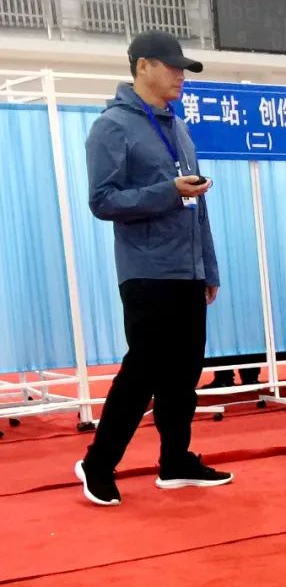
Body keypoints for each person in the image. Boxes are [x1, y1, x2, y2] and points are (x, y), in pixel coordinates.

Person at [76, 30, 232, 507]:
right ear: (143, 66)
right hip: (146, 270)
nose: (181, 76)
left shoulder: (178, 127)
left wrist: (208, 267)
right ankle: (98, 463)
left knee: (184, 371)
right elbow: (103, 201)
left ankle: (175, 461)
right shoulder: (113, 127)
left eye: (183, 68)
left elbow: (198, 205)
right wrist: (168, 192)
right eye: (172, 67)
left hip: (188, 270)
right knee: (142, 370)